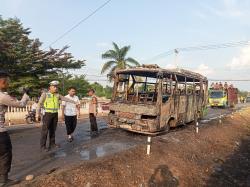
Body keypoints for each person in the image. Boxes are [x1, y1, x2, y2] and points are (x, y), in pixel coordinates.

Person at [0, 71, 30, 186]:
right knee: (5, 154)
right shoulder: (2, 96)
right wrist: (26, 95)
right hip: (0, 133)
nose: (8, 83)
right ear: (2, 82)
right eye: (7, 81)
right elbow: (21, 104)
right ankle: (3, 180)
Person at [36, 81, 77, 152]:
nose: (56, 88)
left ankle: (52, 143)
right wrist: (37, 114)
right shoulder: (45, 94)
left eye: (56, 87)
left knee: (53, 130)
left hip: (55, 114)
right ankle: (43, 146)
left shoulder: (57, 95)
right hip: (47, 114)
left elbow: (65, 98)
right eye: (54, 87)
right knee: (45, 131)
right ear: (50, 87)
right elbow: (39, 104)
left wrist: (73, 102)